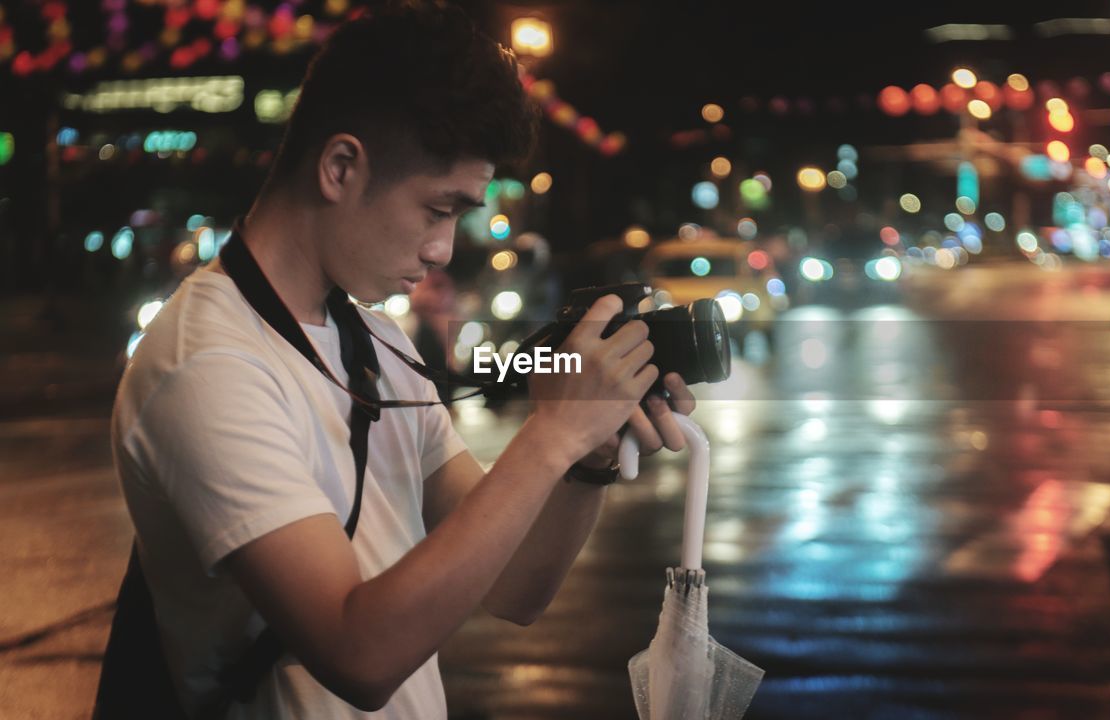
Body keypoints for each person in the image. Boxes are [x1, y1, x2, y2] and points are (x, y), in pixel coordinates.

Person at [105, 3, 695, 717]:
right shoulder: (207, 364)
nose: (443, 249)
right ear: (340, 166)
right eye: (437, 209)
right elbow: (358, 654)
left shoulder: (377, 342)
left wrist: (586, 457)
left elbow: (514, 590)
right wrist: (549, 436)